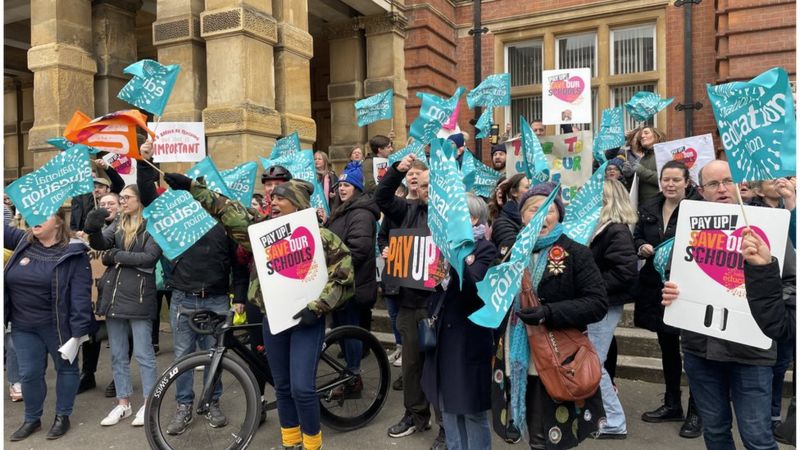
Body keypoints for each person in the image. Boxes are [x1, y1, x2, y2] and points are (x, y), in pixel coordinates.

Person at [162, 172, 354, 450]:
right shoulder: (262, 233)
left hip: (307, 322)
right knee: (284, 387)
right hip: (273, 320)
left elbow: (344, 277)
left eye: (280, 198)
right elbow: (230, 212)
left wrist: (318, 307)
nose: (272, 201)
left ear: (297, 203)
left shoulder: (322, 237)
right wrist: (194, 188)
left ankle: (313, 446)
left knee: (302, 388)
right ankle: (291, 443)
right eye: (271, 197)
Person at [661, 159, 797, 450]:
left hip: (751, 352)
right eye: (713, 183)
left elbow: (792, 284)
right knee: (715, 431)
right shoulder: (690, 227)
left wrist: (759, 299)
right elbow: (678, 276)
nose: (722, 189)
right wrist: (672, 292)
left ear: (740, 185)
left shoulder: (768, 227)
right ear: (701, 189)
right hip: (700, 349)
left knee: (757, 438)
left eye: (727, 182)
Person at [491, 182, 608, 449]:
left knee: (551, 434)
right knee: (534, 431)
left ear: (559, 215)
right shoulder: (512, 253)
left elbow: (597, 303)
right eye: (533, 209)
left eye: (549, 209)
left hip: (557, 355)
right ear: (522, 216)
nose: (541, 216)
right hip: (517, 355)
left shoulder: (576, 252)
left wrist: (549, 313)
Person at [5, 208, 94, 441]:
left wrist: (78, 332)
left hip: (58, 326)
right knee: (29, 374)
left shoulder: (74, 252)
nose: (35, 220)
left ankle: (62, 416)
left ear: (57, 222)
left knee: (66, 370)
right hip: (23, 325)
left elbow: (81, 296)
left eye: (42, 216)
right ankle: (32, 419)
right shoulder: (24, 241)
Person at [421, 193, 498, 450]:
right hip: (444, 337)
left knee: (472, 409)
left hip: (469, 339)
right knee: (448, 407)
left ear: (473, 218)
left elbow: (475, 289)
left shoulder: (485, 248)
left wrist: (455, 259)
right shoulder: (443, 246)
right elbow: (432, 288)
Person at [632, 160, 702, 437]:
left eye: (676, 179)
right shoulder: (649, 206)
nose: (670, 184)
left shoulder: (701, 208)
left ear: (687, 181)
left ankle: (698, 412)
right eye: (666, 179)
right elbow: (636, 236)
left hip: (690, 287)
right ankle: (672, 403)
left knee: (695, 351)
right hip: (657, 286)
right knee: (667, 347)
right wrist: (641, 247)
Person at [84, 184, 161, 428]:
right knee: (117, 355)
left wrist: (115, 256)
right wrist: (93, 228)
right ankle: (123, 403)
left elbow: (149, 257)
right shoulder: (117, 224)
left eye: (127, 198)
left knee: (144, 354)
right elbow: (100, 245)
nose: (122, 202)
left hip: (139, 297)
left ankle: (149, 402)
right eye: (121, 198)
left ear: (139, 200)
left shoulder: (151, 225)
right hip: (114, 297)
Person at [376, 154, 438, 442]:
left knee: (440, 368)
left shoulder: (451, 216)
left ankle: (447, 426)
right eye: (421, 184)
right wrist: (397, 169)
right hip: (408, 304)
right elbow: (382, 196)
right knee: (411, 366)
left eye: (430, 184)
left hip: (438, 306)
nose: (425, 188)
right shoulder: (406, 209)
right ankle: (415, 415)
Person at [742, 176, 796, 431]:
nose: (779, 182)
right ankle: (771, 415)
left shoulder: (791, 209)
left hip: (789, 294)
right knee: (775, 364)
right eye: (771, 180)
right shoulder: (753, 214)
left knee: (783, 361)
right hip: (768, 298)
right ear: (758, 189)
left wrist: (792, 203)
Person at [586, 179, 638, 439]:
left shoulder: (615, 230)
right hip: (601, 303)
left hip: (605, 304)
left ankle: (615, 420)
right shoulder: (605, 228)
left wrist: (591, 288)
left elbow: (624, 272)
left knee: (594, 361)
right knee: (594, 360)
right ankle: (603, 414)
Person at [325, 162, 380, 398]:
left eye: (347, 185)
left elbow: (358, 249)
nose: (342, 189)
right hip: (340, 284)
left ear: (356, 188)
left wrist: (335, 270)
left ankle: (353, 378)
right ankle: (348, 374)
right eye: (340, 185)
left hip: (352, 285)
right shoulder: (343, 211)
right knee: (344, 333)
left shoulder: (361, 213)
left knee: (351, 334)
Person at [78, 192, 122, 395]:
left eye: (111, 203)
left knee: (121, 336)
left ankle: (118, 377)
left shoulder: (124, 227)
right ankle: (88, 373)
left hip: (119, 290)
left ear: (120, 205)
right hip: (94, 292)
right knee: (91, 333)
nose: (106, 206)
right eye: (103, 203)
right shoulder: (91, 229)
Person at [70, 159, 125, 233]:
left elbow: (119, 183)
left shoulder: (111, 195)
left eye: (100, 187)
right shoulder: (82, 199)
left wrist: (106, 167)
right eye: (94, 187)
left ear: (108, 189)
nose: (96, 190)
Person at [622, 126, 665, 207]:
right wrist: (629, 176)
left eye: (646, 133)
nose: (642, 136)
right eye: (640, 135)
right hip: (644, 206)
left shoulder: (664, 154)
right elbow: (638, 186)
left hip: (659, 205)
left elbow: (665, 180)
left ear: (657, 135)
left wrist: (641, 171)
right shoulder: (643, 159)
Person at [490, 173, 531, 257]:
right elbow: (511, 254)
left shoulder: (535, 217)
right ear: (514, 192)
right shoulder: (502, 223)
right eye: (527, 187)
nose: (532, 190)